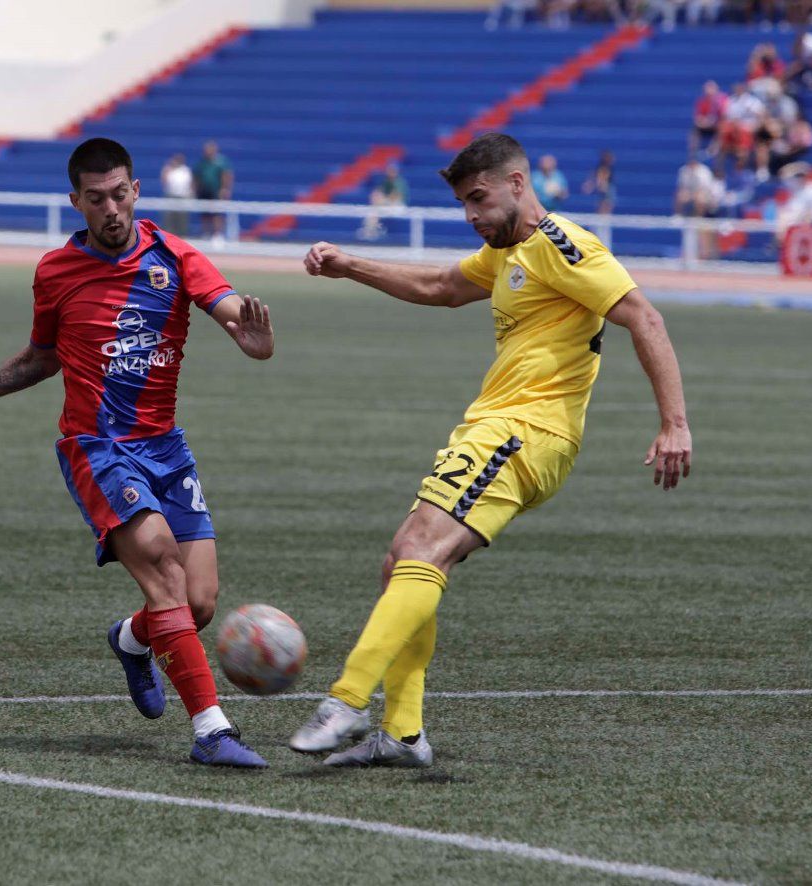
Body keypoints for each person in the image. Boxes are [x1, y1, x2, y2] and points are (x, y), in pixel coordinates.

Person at [290, 133, 692, 767]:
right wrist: (351, 265)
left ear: (516, 184)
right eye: (462, 205)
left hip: (526, 431)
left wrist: (675, 423)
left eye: (478, 199)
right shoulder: (506, 254)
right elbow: (441, 286)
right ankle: (403, 733)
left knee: (420, 550)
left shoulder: (563, 246)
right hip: (497, 427)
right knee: (404, 562)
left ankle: (347, 699)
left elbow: (644, 316)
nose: (472, 215)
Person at [0, 138, 276, 768]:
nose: (111, 208)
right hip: (97, 447)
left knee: (198, 602)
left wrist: (250, 332)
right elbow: (43, 355)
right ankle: (212, 731)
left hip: (165, 446)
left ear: (136, 191)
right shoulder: (55, 271)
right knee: (162, 569)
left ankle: (132, 640)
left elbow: (228, 309)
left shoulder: (174, 255)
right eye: (96, 198)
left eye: (120, 193)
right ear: (77, 201)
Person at [193, 140, 234, 247]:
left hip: (216, 191)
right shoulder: (202, 163)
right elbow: (196, 177)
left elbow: (227, 175)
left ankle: (217, 235)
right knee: (204, 213)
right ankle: (206, 233)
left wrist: (225, 189)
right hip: (204, 191)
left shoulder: (221, 162)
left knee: (217, 214)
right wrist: (195, 190)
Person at [357, 162, 409, 241]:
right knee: (373, 212)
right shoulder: (386, 182)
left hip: (397, 206)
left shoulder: (399, 182)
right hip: (387, 205)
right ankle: (370, 231)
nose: (390, 172)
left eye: (392, 171)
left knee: (376, 211)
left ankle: (374, 230)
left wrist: (382, 200)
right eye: (389, 170)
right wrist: (376, 197)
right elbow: (377, 192)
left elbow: (395, 197)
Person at [160, 153, 193, 236]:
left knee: (182, 219)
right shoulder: (169, 170)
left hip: (182, 197)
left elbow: (190, 184)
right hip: (171, 196)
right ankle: (168, 235)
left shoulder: (186, 170)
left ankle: (182, 235)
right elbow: (164, 181)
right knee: (169, 219)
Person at [690, 80, 727, 155]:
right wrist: (704, 122)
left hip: (718, 123)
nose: (708, 91)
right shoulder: (702, 101)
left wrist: (713, 121)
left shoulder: (722, 99)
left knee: (722, 127)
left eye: (711, 89)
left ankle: (713, 148)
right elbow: (698, 118)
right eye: (707, 89)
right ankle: (693, 156)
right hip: (707, 123)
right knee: (694, 132)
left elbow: (724, 115)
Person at [581, 150, 617, 214]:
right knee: (604, 206)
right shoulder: (603, 168)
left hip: (607, 188)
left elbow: (596, 178)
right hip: (606, 188)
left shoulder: (606, 167)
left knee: (605, 206)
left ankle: (604, 217)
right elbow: (599, 178)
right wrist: (591, 186)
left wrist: (591, 185)